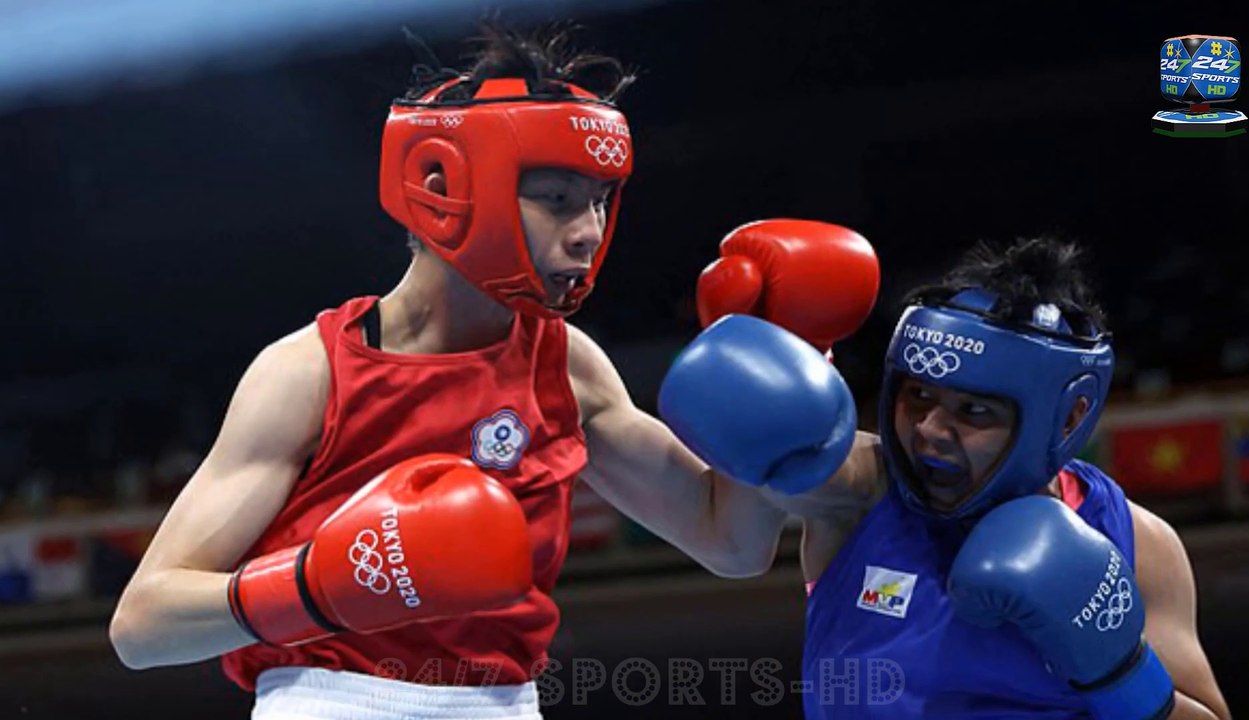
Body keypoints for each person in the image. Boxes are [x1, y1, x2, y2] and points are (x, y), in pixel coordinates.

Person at [108, 22, 880, 719]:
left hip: (504, 706)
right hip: (329, 700)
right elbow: (142, 627)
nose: (587, 232)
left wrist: (785, 345)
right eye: (555, 199)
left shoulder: (566, 364)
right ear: (444, 185)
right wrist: (318, 586)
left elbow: (731, 544)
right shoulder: (310, 371)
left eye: (601, 201)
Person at [660, 237, 1231, 718]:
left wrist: (1119, 671)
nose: (931, 430)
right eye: (918, 397)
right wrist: (767, 338)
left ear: (1068, 417)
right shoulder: (861, 494)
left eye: (974, 411)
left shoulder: (1136, 543)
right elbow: (773, 457)